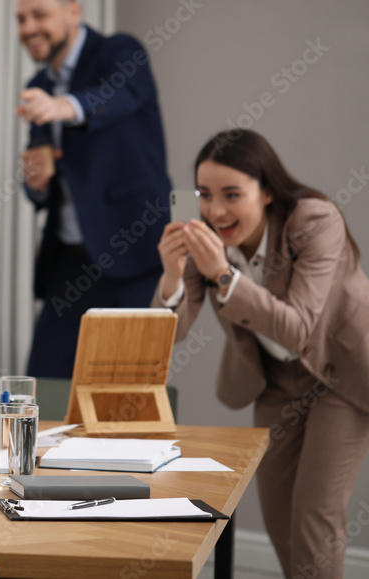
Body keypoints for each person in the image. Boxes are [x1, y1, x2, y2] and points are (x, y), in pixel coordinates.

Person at [155, 129, 369, 579]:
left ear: (267, 190)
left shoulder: (314, 221)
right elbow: (166, 337)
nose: (215, 210)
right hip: (275, 382)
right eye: (205, 195)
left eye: (232, 194)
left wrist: (224, 276)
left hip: (339, 375)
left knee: (314, 514)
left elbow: (297, 328)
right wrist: (173, 278)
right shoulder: (204, 239)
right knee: (279, 516)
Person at [15, 0, 172, 379]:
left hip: (131, 253)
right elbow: (46, 181)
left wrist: (63, 106)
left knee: (124, 397)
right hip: (68, 263)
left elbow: (118, 97)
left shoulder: (120, 52)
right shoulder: (37, 83)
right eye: (20, 19)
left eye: (39, 15)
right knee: (42, 392)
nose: (29, 27)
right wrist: (36, 184)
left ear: (73, 12)